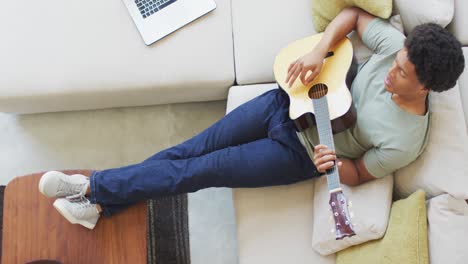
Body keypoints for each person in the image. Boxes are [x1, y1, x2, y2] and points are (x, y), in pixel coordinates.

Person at [38, 7, 465, 229]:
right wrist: (319, 51)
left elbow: (358, 172)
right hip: (285, 102)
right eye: (397, 60)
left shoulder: (406, 140)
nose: (392, 68)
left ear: (425, 86)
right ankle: (98, 206)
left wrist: (332, 166)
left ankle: (92, 186)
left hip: (295, 154)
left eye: (402, 73)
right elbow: (351, 17)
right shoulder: (397, 46)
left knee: (198, 171)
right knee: (188, 150)